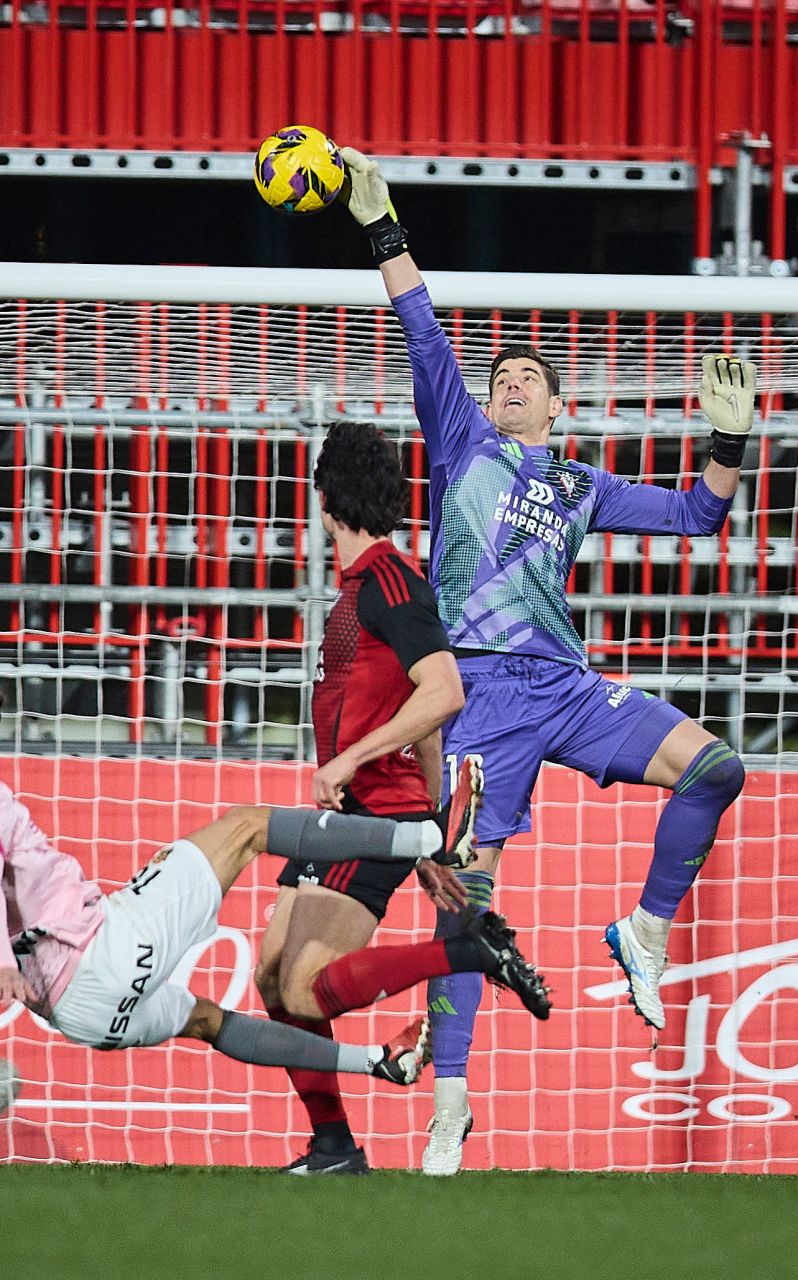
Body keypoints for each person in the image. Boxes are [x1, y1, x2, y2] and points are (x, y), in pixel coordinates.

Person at [333, 145, 759, 1175]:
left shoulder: (580, 482)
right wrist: (382, 224)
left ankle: (646, 930)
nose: (511, 383)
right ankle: (449, 1105)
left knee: (718, 766)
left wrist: (729, 437)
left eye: (529, 377)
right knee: (466, 902)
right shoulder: (464, 440)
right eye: (502, 377)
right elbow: (420, 325)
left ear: (559, 407)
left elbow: (700, 515)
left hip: (568, 686)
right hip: (478, 697)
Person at [0, 668, 550, 1091]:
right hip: (103, 953)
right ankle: (432, 835)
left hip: (75, 1016)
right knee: (245, 827)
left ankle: (377, 1065)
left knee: (209, 1021)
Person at [254, 421, 550, 1176]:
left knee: (304, 990)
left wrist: (381, 786)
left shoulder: (393, 585)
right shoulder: (366, 588)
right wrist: (433, 834)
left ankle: (465, 950)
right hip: (361, 816)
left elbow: (443, 691)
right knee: (273, 981)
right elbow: (419, 719)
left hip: (369, 815)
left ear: (324, 504)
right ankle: (332, 1146)